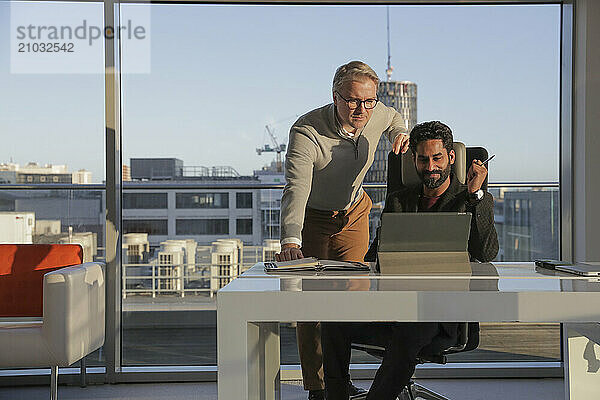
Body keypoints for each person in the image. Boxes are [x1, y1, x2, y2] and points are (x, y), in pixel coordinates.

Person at [321, 120, 499, 400]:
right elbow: (376, 254)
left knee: (410, 330)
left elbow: (487, 253)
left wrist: (476, 195)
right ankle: (336, 394)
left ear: (451, 157)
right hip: (393, 304)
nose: (430, 167)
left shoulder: (469, 200)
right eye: (423, 159)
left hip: (440, 314)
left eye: (437, 158)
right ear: (414, 160)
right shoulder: (399, 201)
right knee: (333, 319)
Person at [275, 61, 410, 400]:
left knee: (348, 302)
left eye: (369, 101)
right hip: (314, 219)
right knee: (312, 308)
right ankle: (318, 388)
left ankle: (339, 379)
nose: (362, 109)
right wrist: (291, 237)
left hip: (355, 213)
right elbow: (296, 188)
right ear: (335, 96)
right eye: (352, 100)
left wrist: (400, 133)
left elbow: (394, 118)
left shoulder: (377, 112)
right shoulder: (306, 131)